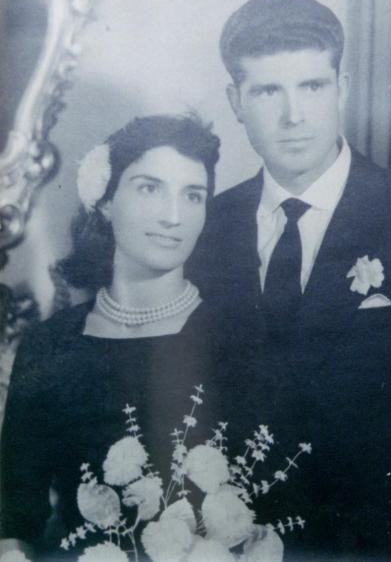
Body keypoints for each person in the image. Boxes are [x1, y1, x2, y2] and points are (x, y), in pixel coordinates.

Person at [187, 0, 391, 559]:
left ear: (342, 88)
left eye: (312, 86)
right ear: (236, 101)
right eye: (267, 91)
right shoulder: (207, 229)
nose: (294, 116)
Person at [0, 114, 256, 560]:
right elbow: (13, 522)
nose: (173, 216)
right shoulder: (50, 345)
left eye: (192, 195)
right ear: (103, 200)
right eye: (149, 188)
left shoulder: (243, 338)